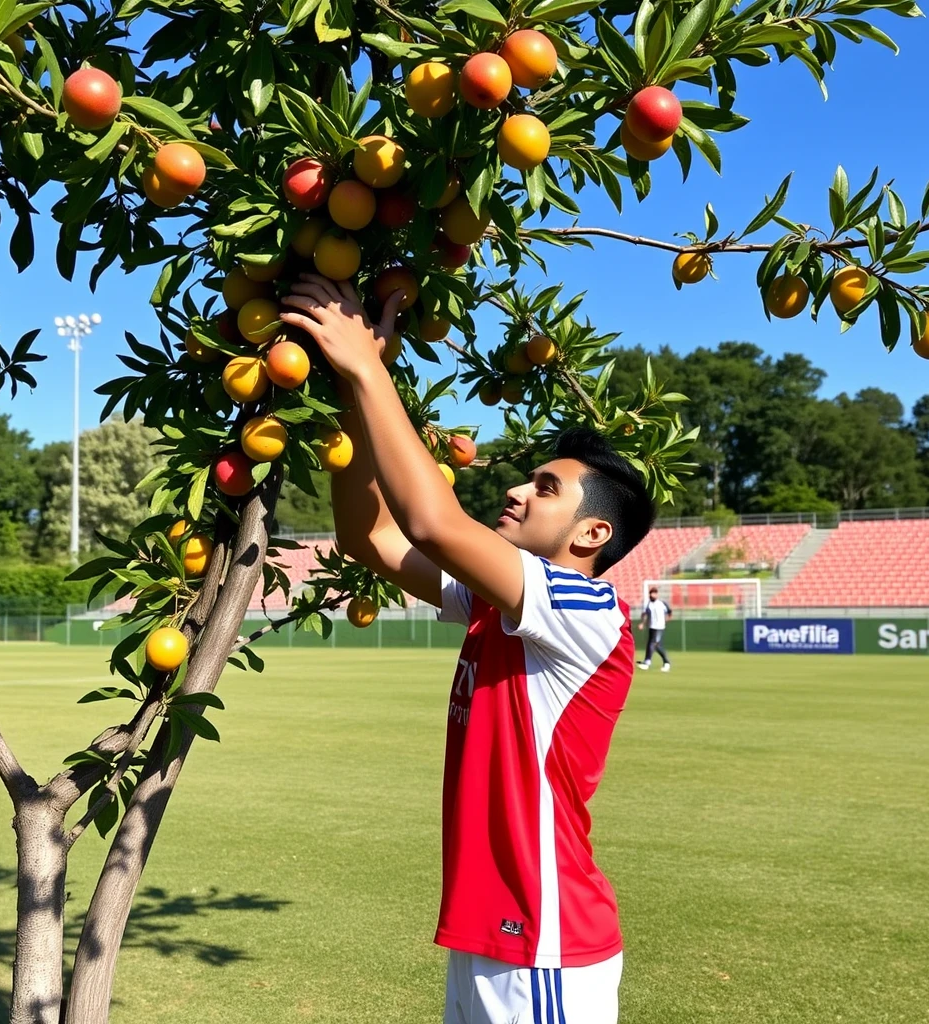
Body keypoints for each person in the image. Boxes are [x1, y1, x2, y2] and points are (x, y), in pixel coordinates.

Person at [280, 274, 657, 1024]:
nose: (517, 490)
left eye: (545, 488)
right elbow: (374, 540)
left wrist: (367, 365)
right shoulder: (503, 605)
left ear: (591, 535)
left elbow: (431, 524)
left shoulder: (583, 607)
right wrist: (355, 396)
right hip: (496, 934)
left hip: (544, 943)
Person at [636, 586, 672, 671]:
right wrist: (642, 623)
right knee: (653, 644)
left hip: (660, 627)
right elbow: (645, 615)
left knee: (654, 644)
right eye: (651, 593)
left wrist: (667, 620)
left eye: (654, 593)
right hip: (652, 627)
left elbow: (669, 612)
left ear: (657, 594)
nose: (652, 595)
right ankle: (665, 662)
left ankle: (648, 662)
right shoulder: (648, 604)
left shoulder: (662, 603)